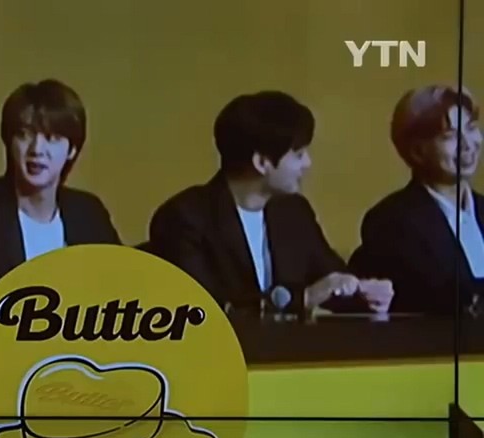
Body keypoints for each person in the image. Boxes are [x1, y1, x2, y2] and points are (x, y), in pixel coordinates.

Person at [147, 91, 393, 315]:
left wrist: (364, 293)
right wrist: (302, 298)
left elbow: (329, 280)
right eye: (298, 155)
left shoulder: (294, 212)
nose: (307, 164)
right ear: (262, 162)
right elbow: (204, 310)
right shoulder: (185, 218)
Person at [0, 79, 121, 315]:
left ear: (72, 150)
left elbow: (120, 293)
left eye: (52, 138)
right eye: (25, 135)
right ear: (9, 142)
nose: (37, 149)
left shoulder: (89, 213)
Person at [348, 85, 483, 314]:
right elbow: (440, 296)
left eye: (471, 128)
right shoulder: (391, 221)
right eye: (449, 136)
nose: (468, 144)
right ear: (417, 151)